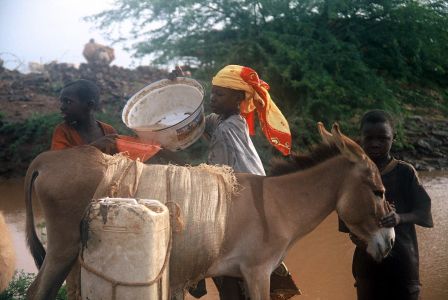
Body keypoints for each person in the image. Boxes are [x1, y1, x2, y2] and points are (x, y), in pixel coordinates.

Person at [172, 65, 297, 299]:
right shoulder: (223, 120)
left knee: (222, 263)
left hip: (240, 202)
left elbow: (216, 174)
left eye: (220, 94)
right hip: (247, 198)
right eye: (212, 93)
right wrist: (183, 84)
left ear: (239, 98)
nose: (213, 98)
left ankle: (195, 273)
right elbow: (196, 120)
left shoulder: (228, 129)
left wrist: (182, 167)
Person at [339, 109, 433, 300]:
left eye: (383, 138)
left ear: (393, 138)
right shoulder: (352, 177)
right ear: (360, 139)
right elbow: (346, 222)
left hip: (404, 265)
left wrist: (399, 218)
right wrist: (357, 236)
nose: (375, 143)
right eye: (369, 138)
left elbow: (425, 216)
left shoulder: (405, 172)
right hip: (367, 268)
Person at [51, 79, 118, 154]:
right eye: (62, 102)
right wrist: (95, 146)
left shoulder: (109, 131)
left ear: (89, 105)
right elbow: (58, 160)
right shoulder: (63, 131)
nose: (62, 107)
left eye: (68, 102)